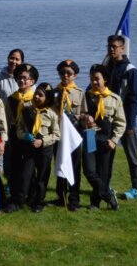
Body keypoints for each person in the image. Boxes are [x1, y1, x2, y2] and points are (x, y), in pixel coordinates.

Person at [6, 81, 60, 213]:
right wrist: (25, 136)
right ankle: (19, 200)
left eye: (41, 95)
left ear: (47, 99)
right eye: (36, 94)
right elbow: (19, 129)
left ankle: (38, 202)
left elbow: (56, 134)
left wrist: (43, 141)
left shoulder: (51, 114)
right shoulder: (26, 110)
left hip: (44, 149)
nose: (36, 97)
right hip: (28, 148)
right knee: (25, 175)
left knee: (42, 176)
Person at [82, 64, 126, 211]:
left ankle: (95, 203)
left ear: (105, 79)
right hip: (90, 135)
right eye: (91, 79)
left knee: (103, 173)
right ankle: (108, 195)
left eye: (97, 79)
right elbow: (79, 114)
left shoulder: (115, 99)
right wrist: (84, 117)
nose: (94, 82)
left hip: (106, 139)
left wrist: (114, 140)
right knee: (89, 170)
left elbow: (121, 122)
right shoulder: (87, 97)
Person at [106, 35, 137, 200]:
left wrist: (130, 124)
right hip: (107, 120)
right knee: (107, 155)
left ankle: (135, 189)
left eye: (114, 46)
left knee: (132, 156)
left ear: (122, 48)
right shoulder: (107, 67)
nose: (111, 49)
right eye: (109, 46)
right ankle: (105, 185)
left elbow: (134, 99)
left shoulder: (130, 70)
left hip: (125, 122)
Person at [51, 59, 87, 211]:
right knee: (60, 164)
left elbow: (85, 113)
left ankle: (74, 198)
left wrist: (78, 118)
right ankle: (61, 196)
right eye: (62, 73)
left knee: (74, 166)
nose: (65, 75)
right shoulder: (54, 92)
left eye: (69, 73)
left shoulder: (80, 93)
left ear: (75, 75)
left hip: (73, 135)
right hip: (58, 134)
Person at [0, 49, 25, 192]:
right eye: (12, 58)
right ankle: (8, 182)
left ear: (22, 62)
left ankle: (20, 183)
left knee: (21, 157)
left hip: (22, 125)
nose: (14, 61)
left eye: (17, 59)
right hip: (4, 124)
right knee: (6, 157)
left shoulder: (26, 78)